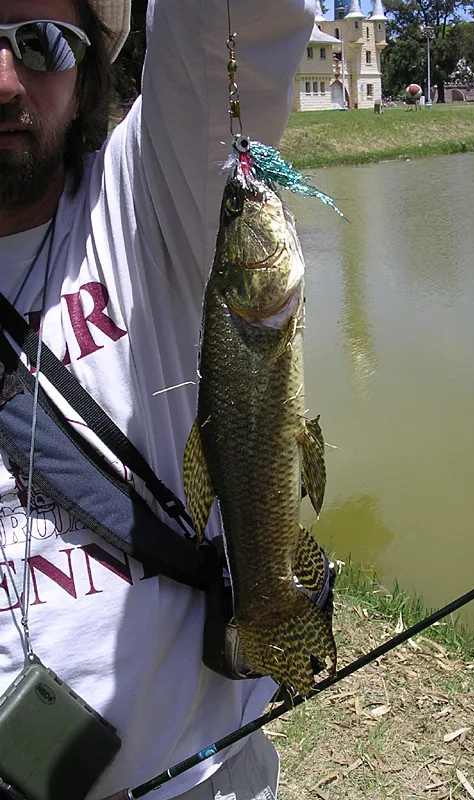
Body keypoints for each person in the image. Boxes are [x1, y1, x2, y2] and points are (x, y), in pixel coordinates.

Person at [0, 1, 315, 798]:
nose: (3, 79)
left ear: (86, 74)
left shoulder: (143, 200)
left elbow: (229, 22)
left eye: (40, 43)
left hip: (199, 775)